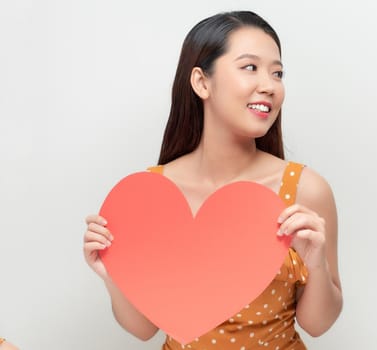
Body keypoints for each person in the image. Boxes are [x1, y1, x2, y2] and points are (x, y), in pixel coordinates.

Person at [83, 11, 342, 349]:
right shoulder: (150, 193)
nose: (269, 85)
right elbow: (145, 329)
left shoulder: (305, 189)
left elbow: (318, 324)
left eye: (277, 73)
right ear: (201, 82)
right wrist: (111, 274)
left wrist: (316, 264)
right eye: (250, 67)